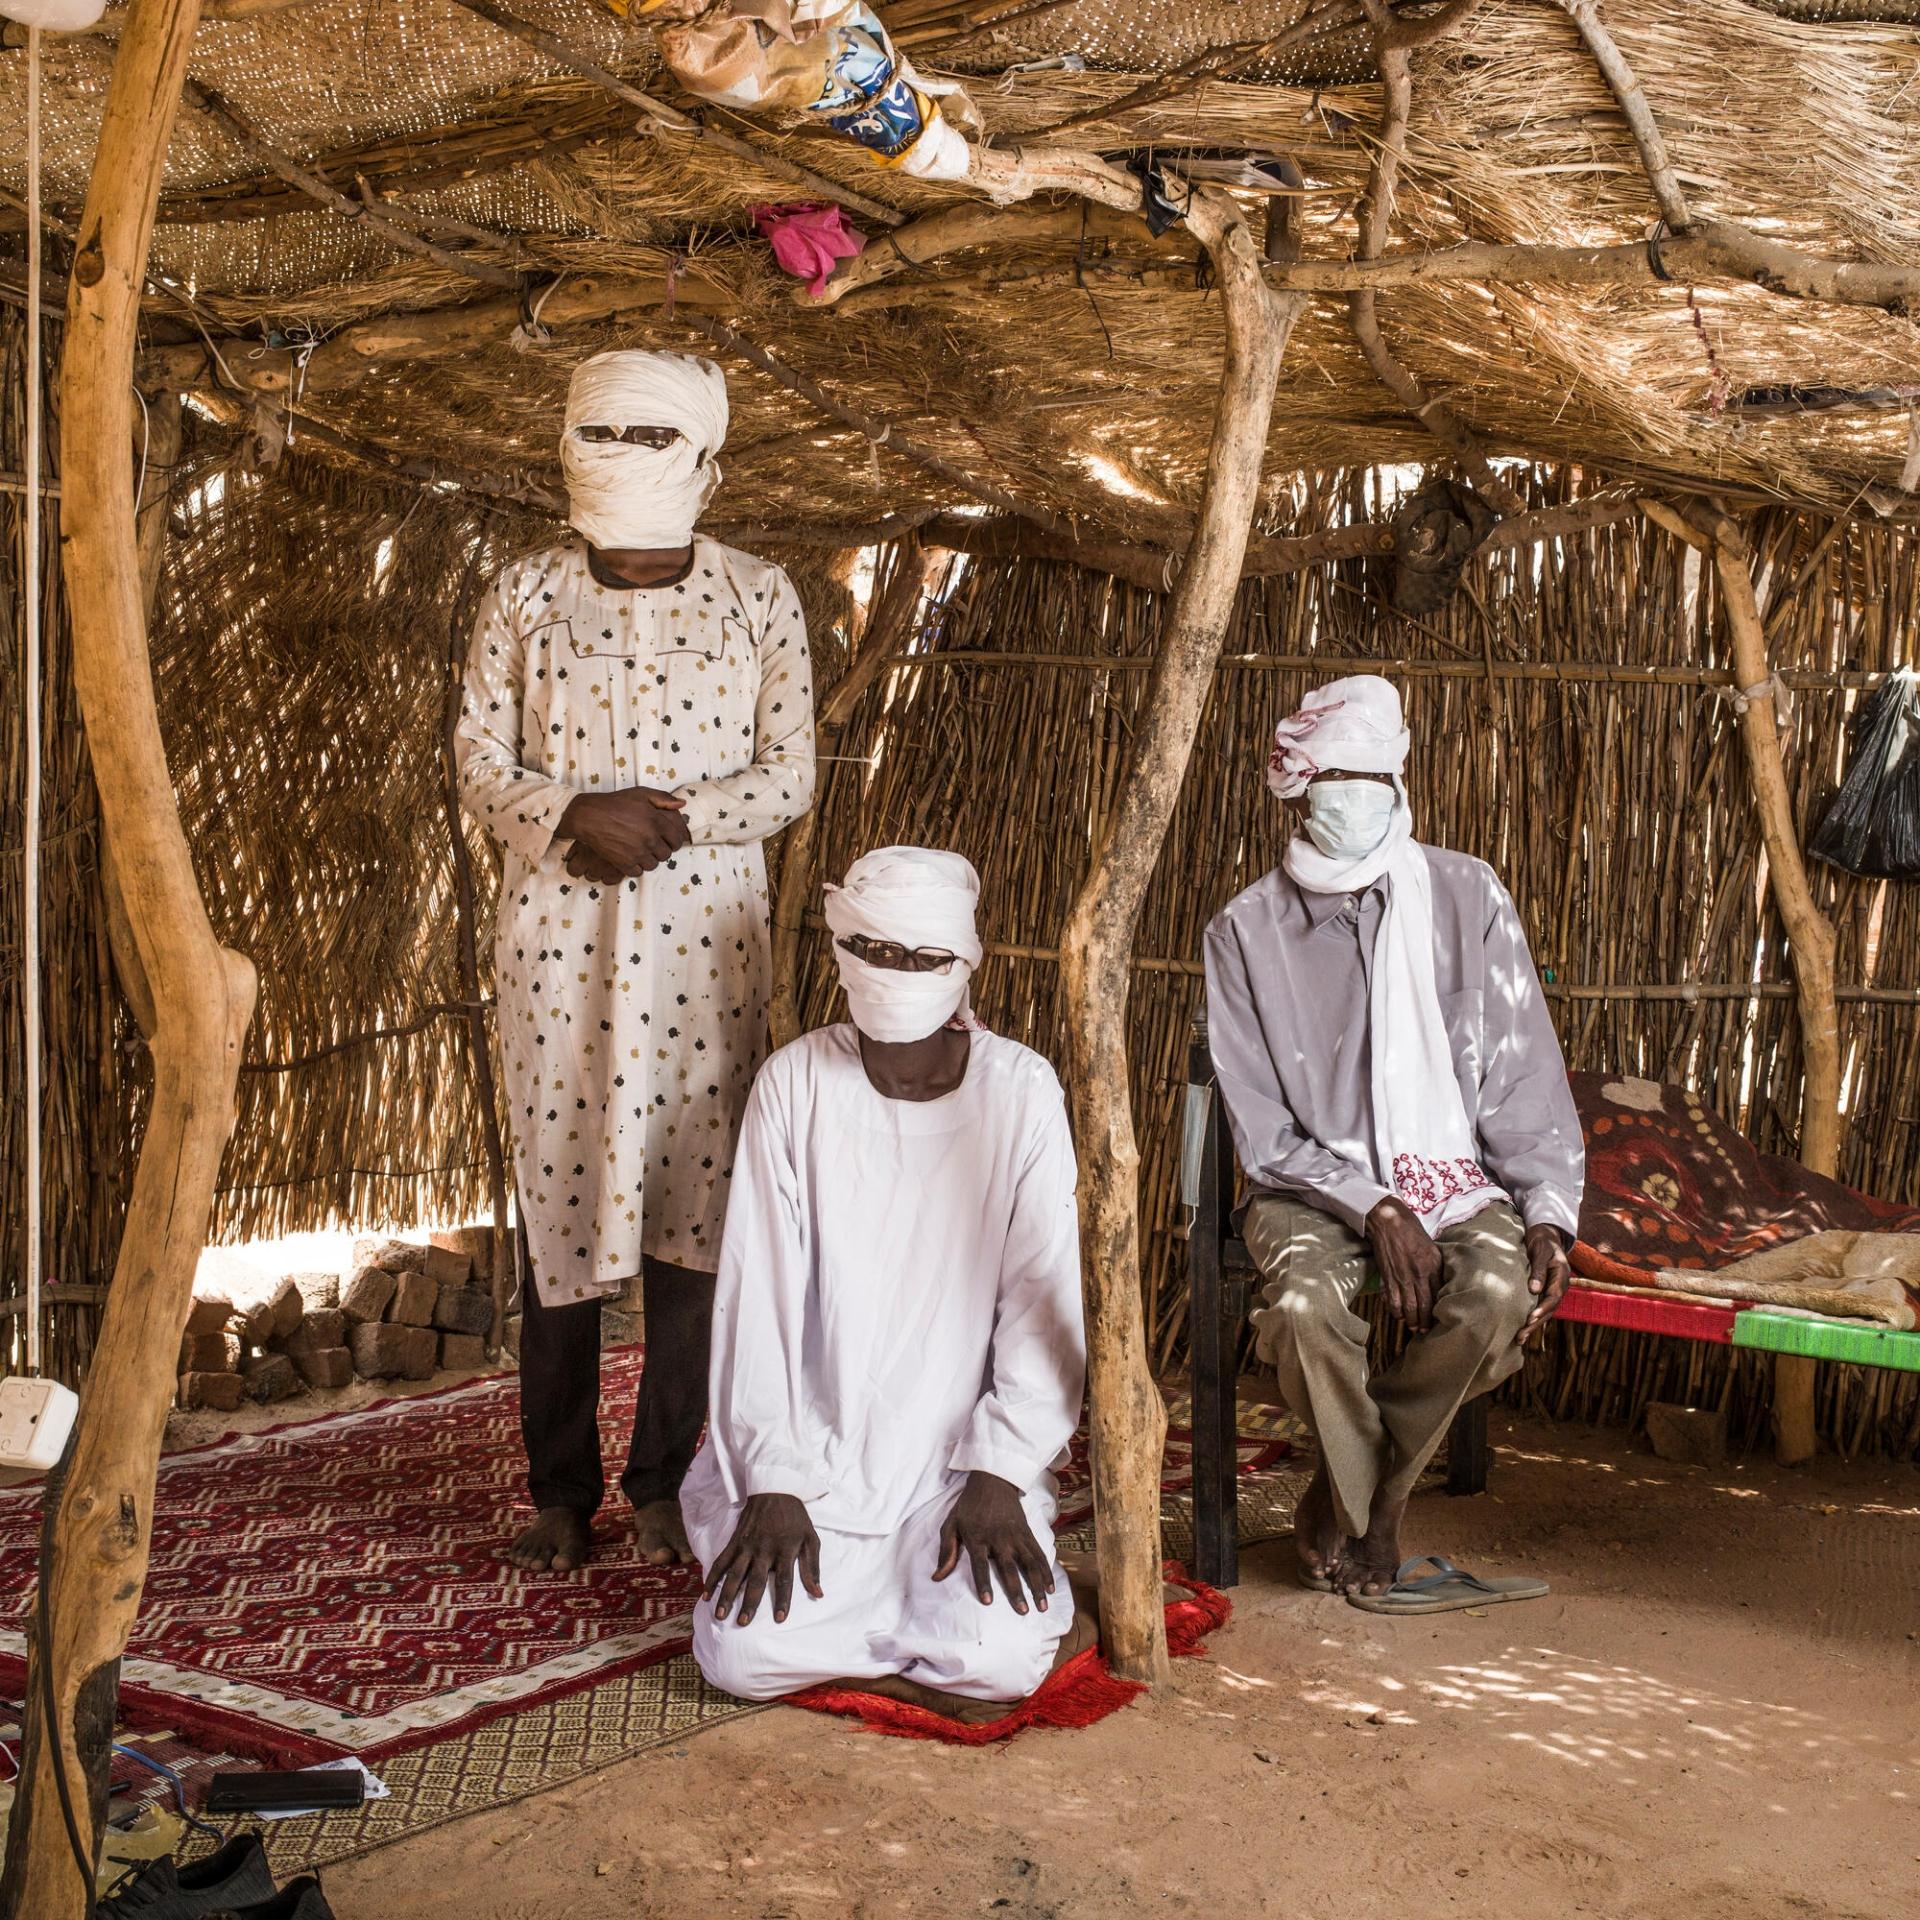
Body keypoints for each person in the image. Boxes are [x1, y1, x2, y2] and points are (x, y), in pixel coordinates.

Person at [457, 348, 815, 1573]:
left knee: (692, 1225)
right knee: (559, 1218)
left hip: (707, 958)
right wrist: (570, 815)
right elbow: (475, 760)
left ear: (706, 462)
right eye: (608, 438)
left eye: (653, 442)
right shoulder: (522, 594)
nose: (628, 462)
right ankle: (559, 1490)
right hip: (558, 955)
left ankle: (663, 1480)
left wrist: (665, 817)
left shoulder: (760, 596)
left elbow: (789, 773)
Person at [681, 848, 1090, 1715]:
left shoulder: (1021, 1091)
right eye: (877, 950)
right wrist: (775, 1480)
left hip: (956, 1464)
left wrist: (1000, 1471)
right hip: (817, 1457)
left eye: (920, 955)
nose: (897, 973)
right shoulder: (795, 1084)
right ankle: (902, 1641)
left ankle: (918, 1630)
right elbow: (759, 1298)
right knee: (741, 1654)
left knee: (997, 1656)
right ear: (842, 953)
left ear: (963, 964)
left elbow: (1039, 1296)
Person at [1203, 676, 1582, 1606]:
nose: (1356, 793)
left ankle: (1356, 1499)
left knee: (1500, 1296)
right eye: (1335, 775)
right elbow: (1262, 1125)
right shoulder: (1245, 930)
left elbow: (1522, 1067)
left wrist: (1548, 1213)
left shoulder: (1464, 894)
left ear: (1400, 779)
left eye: (1374, 774)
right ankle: (1380, 1510)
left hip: (1449, 1176)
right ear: (1296, 784)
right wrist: (1371, 1202)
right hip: (1309, 1183)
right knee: (1297, 1307)